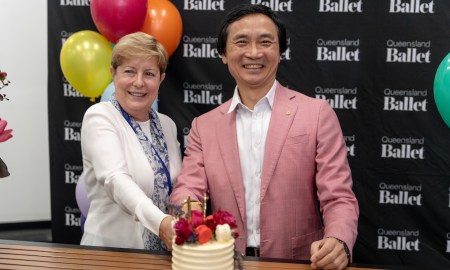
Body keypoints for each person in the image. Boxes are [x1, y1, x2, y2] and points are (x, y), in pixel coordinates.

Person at [170, 4, 359, 270]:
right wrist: (189, 222)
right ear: (224, 54)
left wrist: (338, 240)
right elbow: (188, 190)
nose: (254, 53)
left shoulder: (317, 114)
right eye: (241, 42)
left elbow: (338, 196)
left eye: (266, 42)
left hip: (301, 263)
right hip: (227, 263)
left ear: (280, 52)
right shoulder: (204, 126)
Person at [80, 32, 182, 252]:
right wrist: (161, 223)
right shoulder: (100, 116)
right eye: (129, 71)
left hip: (162, 257)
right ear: (113, 74)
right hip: (110, 255)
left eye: (149, 73)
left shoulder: (167, 125)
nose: (138, 82)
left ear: (161, 79)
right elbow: (115, 179)